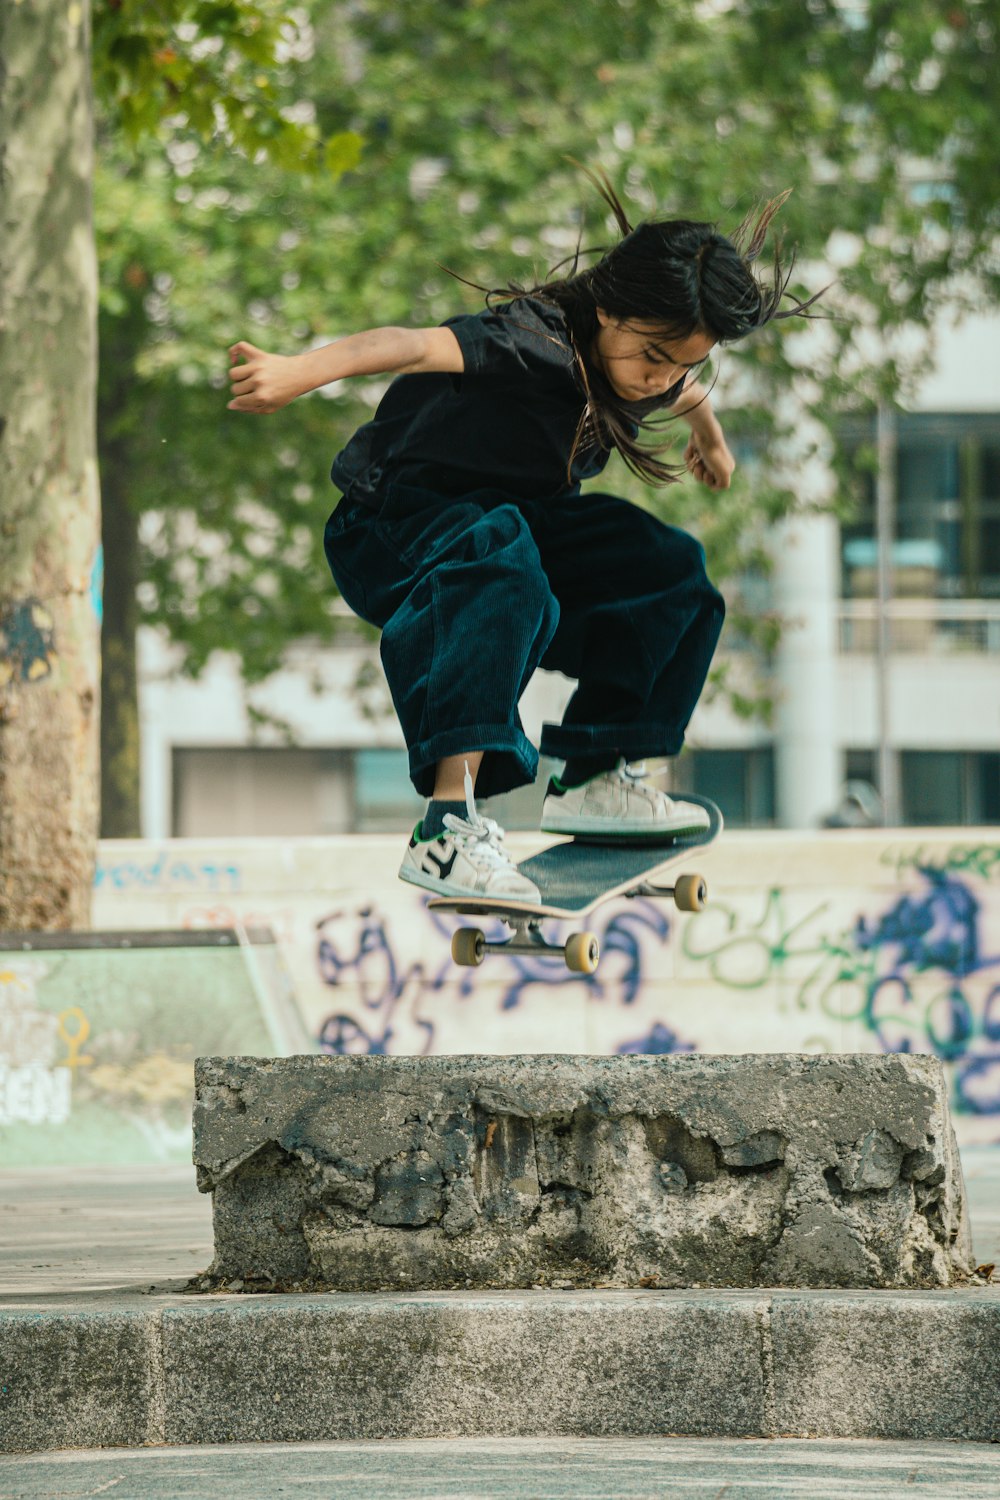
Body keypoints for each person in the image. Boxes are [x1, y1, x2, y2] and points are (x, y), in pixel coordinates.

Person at [227, 171, 823, 904]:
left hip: (515, 528)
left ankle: (594, 776)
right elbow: (409, 346)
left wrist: (712, 437)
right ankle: (447, 828)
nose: (657, 381)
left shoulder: (657, 368)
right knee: (503, 565)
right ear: (608, 309)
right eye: (651, 357)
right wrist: (296, 372)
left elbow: (689, 388)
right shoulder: (528, 341)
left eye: (681, 363)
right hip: (392, 527)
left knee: (670, 573)